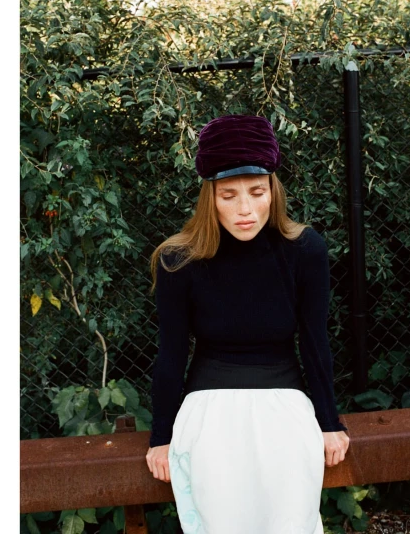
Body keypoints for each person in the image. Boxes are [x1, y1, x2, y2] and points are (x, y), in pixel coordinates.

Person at [146, 113, 350, 534]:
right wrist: (161, 436)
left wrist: (330, 423)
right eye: (229, 195)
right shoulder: (177, 260)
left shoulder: (305, 250)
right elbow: (171, 354)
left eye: (257, 192)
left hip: (286, 406)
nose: (245, 209)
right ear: (210, 197)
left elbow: (315, 342)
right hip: (208, 411)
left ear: (273, 190)